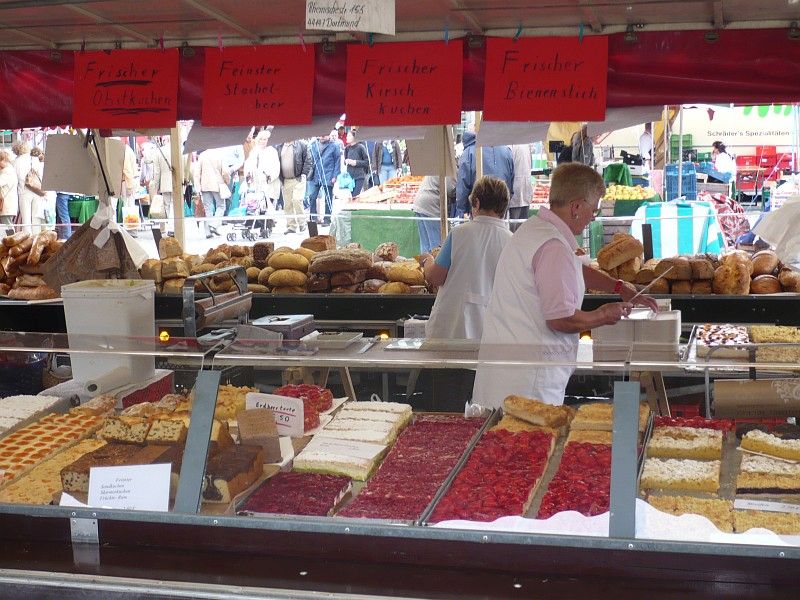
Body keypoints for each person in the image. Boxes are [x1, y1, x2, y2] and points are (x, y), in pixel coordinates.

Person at [472, 163, 658, 407]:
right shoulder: (553, 245)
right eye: (595, 208)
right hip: (528, 385)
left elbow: (570, 269)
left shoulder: (535, 229)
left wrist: (618, 287)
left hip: (507, 374)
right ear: (576, 207)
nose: (595, 216)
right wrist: (602, 315)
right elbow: (560, 319)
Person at [422, 176, 513, 340]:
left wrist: (427, 261)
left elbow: (435, 277)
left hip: (451, 329)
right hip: (493, 332)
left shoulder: (459, 233)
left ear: (476, 203)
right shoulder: (512, 241)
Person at [455, 131, 514, 218]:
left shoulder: (469, 152)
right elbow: (510, 184)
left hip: (478, 211)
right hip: (500, 213)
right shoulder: (507, 151)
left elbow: (462, 187)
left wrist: (463, 209)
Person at [243, 129, 281, 232]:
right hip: (256, 184)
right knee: (255, 206)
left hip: (268, 184)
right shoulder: (254, 151)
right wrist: (249, 174)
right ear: (258, 140)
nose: (264, 141)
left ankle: (267, 227)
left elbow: (276, 168)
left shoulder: (272, 151)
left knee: (267, 206)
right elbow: (248, 165)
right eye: (262, 139)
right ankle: (256, 225)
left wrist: (270, 176)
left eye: (266, 139)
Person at [306, 131, 342, 226]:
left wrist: (335, 175)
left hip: (328, 173)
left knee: (328, 198)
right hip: (316, 174)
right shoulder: (314, 144)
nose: (322, 136)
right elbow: (310, 159)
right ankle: (313, 217)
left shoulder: (334, 145)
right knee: (312, 196)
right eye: (321, 134)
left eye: (325, 134)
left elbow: (337, 161)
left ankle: (327, 218)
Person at [277, 138, 312, 234]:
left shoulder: (302, 145)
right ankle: (291, 226)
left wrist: (304, 174)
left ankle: (302, 223)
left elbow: (308, 160)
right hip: (285, 180)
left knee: (297, 200)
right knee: (287, 204)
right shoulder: (279, 147)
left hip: (298, 178)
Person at [412, 176, 455, 254]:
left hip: (421, 204)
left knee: (425, 247)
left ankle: (425, 266)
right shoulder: (450, 167)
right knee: (437, 248)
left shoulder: (438, 165)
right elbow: (450, 188)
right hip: (432, 208)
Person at [194, 148, 229, 238]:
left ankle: (207, 232)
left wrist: (198, 187)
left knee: (208, 208)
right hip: (217, 184)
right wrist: (227, 181)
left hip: (204, 185)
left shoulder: (202, 155)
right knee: (221, 206)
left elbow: (197, 173)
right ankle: (213, 225)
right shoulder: (220, 154)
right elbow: (225, 172)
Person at [150, 139, 175, 232]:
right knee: (174, 205)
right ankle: (173, 227)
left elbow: (156, 172)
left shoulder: (159, 152)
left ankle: (169, 227)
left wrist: (156, 186)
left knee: (166, 205)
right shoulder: (179, 149)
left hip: (165, 183)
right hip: (177, 182)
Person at [509, 144, 533, 232]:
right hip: (524, 190)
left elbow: (509, 169)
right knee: (522, 230)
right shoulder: (526, 145)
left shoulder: (510, 146)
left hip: (515, 191)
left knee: (512, 229)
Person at [12, 140, 35, 233]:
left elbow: (15, 179)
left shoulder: (16, 162)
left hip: (23, 192)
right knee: (35, 219)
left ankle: (27, 239)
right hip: (36, 190)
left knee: (26, 220)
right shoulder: (33, 159)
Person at [26, 147, 48, 232]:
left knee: (36, 216)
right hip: (43, 192)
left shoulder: (33, 164)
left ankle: (37, 233)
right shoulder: (44, 165)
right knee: (44, 216)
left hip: (36, 191)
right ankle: (45, 233)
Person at [343, 131, 370, 198]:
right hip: (349, 176)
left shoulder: (361, 147)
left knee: (355, 195)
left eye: (349, 136)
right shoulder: (347, 148)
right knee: (351, 196)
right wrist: (346, 161)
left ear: (354, 137)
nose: (347, 137)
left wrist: (356, 162)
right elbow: (345, 160)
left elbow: (367, 162)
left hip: (359, 175)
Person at [0, 150, 19, 228]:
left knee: (8, 226)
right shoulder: (8, 170)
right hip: (7, 204)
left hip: (7, 204)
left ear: (4, 160)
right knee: (7, 225)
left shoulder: (8, 171)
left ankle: (12, 239)